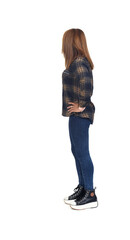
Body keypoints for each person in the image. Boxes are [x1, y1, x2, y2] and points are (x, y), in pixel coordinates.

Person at [61, 28, 97, 210]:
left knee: (82, 153)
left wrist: (81, 105)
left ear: (70, 43)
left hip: (81, 115)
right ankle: (83, 188)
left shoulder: (80, 63)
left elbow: (87, 88)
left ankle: (90, 193)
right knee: (77, 152)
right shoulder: (76, 62)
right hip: (76, 116)